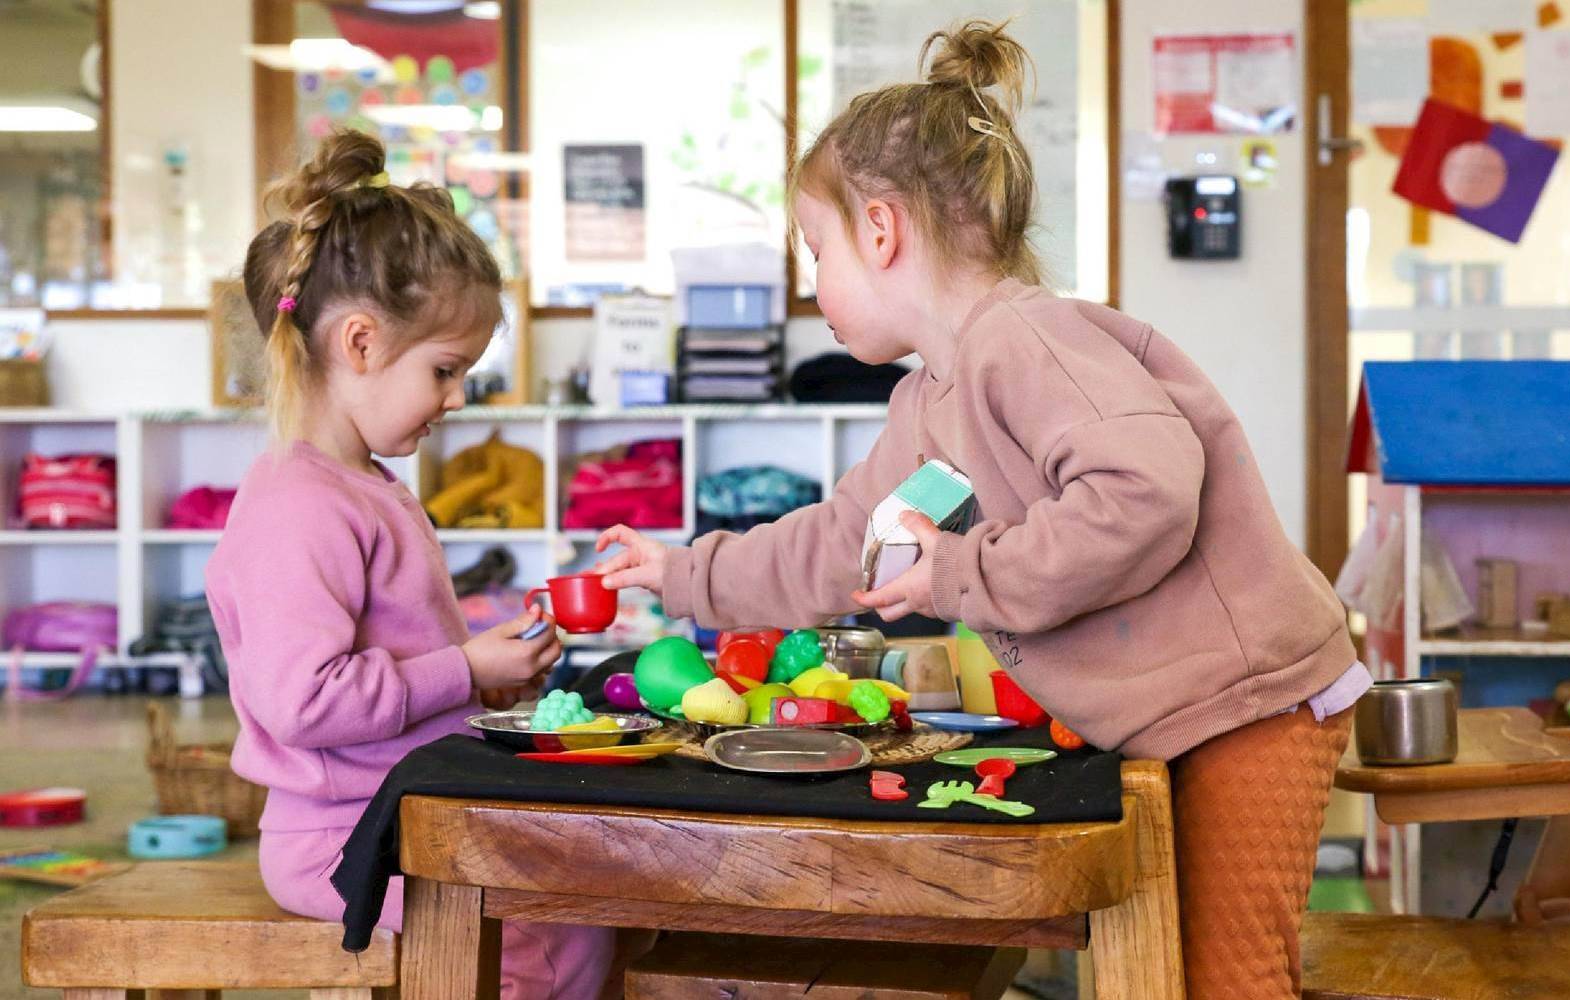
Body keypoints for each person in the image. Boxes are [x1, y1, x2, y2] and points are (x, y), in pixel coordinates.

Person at [593, 21, 1367, 999]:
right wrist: (685, 571)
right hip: (1181, 715)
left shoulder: (1026, 342)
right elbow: (846, 541)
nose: (814, 283)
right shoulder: (931, 400)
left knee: (1222, 979)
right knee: (1152, 974)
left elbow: (1145, 492)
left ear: (880, 229)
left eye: (816, 248)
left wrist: (964, 572)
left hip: (1252, 702)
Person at [206, 129, 614, 998]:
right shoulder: (298, 505)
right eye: (445, 370)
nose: (459, 398)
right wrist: (461, 667)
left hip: (398, 817)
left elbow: (392, 656)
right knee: (547, 932)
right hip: (343, 842)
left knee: (591, 880)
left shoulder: (364, 485)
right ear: (359, 343)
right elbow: (305, 699)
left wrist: (479, 682)